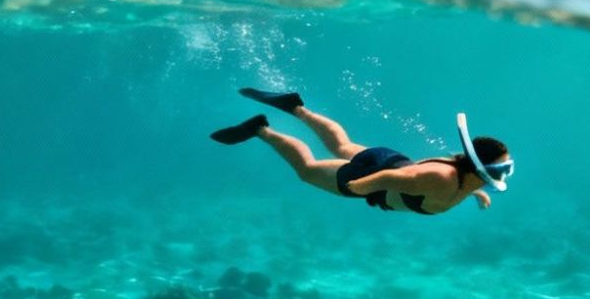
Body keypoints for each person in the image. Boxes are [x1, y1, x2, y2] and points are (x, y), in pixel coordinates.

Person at [210, 88, 513, 214]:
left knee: (342, 145)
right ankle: (260, 129)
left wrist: (476, 193)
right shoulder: (443, 179)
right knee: (307, 170)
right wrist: (362, 186)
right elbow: (403, 179)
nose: (504, 174)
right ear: (479, 168)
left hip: (389, 158)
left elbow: (416, 176)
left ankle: (297, 108)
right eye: (501, 169)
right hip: (376, 178)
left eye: (506, 168)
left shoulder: (460, 173)